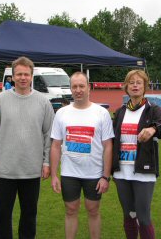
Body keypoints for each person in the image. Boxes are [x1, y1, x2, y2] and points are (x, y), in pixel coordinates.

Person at [0, 56, 54, 239]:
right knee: (2, 215)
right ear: (12, 77)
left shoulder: (43, 102)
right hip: (5, 171)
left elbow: (49, 135)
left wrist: (47, 162)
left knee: (29, 215)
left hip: (31, 170)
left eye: (26, 74)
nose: (23, 78)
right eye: (19, 74)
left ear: (31, 76)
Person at [50, 72, 114, 239]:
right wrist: (54, 175)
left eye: (81, 86)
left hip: (94, 173)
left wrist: (105, 177)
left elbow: (108, 146)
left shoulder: (101, 113)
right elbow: (56, 145)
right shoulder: (61, 113)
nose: (78, 90)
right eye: (74, 86)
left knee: (93, 210)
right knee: (70, 210)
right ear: (70, 89)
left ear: (89, 88)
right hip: (69, 173)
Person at [112, 70, 161, 239]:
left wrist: (154, 128)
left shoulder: (153, 110)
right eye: (131, 83)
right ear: (126, 87)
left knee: (143, 217)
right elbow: (111, 140)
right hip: (121, 171)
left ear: (145, 87)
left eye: (139, 82)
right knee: (129, 214)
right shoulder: (120, 112)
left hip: (144, 172)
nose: (135, 86)